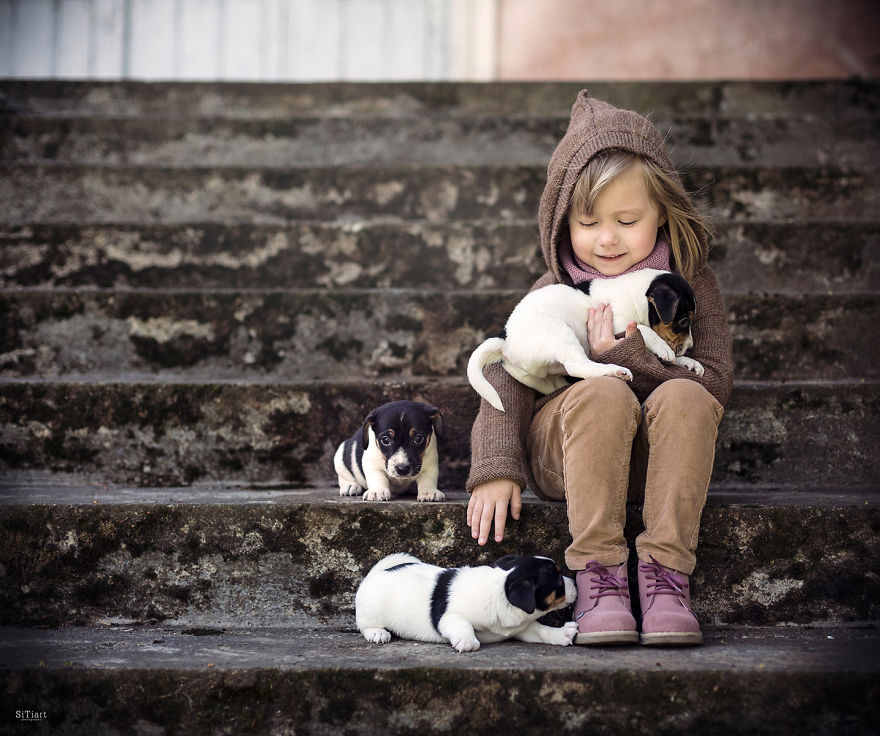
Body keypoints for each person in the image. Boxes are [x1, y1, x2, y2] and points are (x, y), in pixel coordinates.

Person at [465, 91, 733, 646]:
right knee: (603, 395)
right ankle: (599, 577)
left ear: (662, 214)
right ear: (562, 223)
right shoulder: (557, 288)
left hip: (656, 459)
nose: (606, 238)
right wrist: (496, 465)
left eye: (627, 219)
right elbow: (505, 374)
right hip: (568, 453)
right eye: (587, 222)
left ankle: (666, 576)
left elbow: (715, 382)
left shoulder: (689, 286)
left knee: (688, 397)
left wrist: (620, 355)